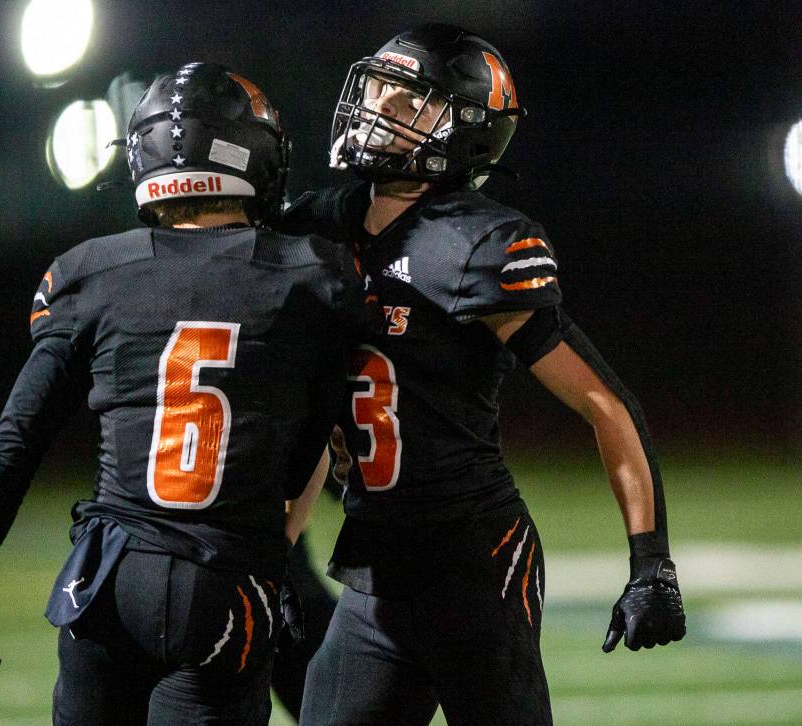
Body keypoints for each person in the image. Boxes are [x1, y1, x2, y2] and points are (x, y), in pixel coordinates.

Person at [0, 62, 379, 725]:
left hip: (108, 580)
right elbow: (302, 457)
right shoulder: (312, 275)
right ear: (252, 154)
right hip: (223, 584)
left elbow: (15, 438)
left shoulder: (90, 273)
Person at [280, 24, 687, 725]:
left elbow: (603, 403)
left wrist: (651, 561)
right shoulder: (319, 225)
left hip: (474, 563)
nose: (377, 108)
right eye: (378, 89)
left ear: (463, 128)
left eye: (406, 103)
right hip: (374, 569)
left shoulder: (476, 243)